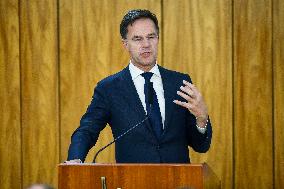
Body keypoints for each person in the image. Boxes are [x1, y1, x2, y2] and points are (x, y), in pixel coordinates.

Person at [67, 9, 212, 163]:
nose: (146, 45)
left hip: (177, 181)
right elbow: (87, 130)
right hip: (132, 181)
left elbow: (200, 146)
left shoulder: (179, 82)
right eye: (137, 39)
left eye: (151, 37)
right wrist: (75, 159)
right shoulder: (109, 89)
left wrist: (201, 119)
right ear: (125, 44)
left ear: (158, 39)